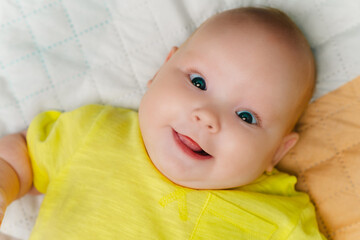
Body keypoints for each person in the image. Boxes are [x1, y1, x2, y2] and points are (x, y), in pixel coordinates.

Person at [0, 7, 325, 239]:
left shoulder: (279, 219)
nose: (207, 117)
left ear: (277, 153)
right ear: (160, 72)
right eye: (198, 82)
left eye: (246, 117)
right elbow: (20, 156)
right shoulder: (96, 131)